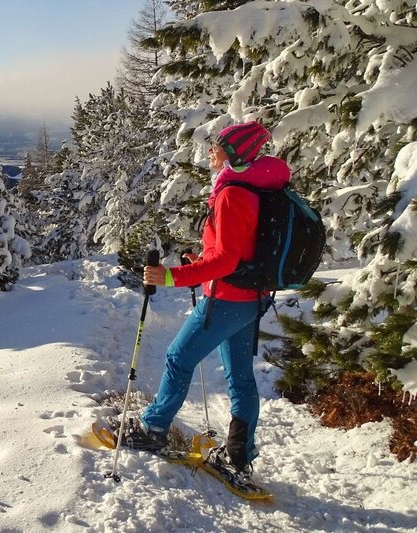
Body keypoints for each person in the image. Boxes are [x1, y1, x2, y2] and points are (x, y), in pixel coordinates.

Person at [118, 121, 290, 483]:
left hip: (225, 299)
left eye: (219, 145)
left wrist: (170, 277)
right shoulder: (256, 185)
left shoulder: (232, 194)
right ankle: (238, 457)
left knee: (178, 359)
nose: (211, 150)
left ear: (237, 153)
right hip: (251, 298)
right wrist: (200, 258)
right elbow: (238, 249)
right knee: (241, 379)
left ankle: (153, 429)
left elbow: (226, 261)